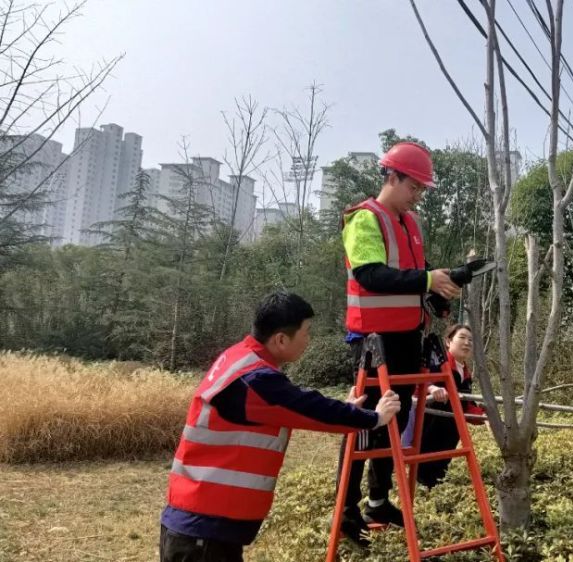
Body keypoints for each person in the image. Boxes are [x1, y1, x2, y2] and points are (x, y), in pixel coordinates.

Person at [159, 292, 401, 562]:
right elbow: (307, 407)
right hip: (202, 532)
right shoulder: (255, 379)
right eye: (306, 332)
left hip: (199, 520)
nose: (309, 340)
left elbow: (293, 405)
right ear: (281, 339)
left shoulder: (241, 359)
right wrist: (374, 418)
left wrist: (351, 412)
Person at [336, 141, 461, 545]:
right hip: (374, 340)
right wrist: (427, 280)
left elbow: (415, 276)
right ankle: (347, 510)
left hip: (407, 337)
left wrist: (439, 290)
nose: (419, 195)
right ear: (392, 177)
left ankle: (377, 500)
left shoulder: (411, 224)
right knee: (365, 421)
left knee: (398, 416)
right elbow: (371, 275)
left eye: (423, 190)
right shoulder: (364, 220)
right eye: (415, 187)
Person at [416, 323, 486, 488]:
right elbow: (417, 382)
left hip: (450, 432)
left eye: (470, 340)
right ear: (448, 342)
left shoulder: (466, 373)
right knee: (424, 472)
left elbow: (466, 406)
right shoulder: (438, 364)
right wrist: (432, 388)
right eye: (462, 337)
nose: (467, 343)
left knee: (440, 473)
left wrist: (485, 416)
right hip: (430, 428)